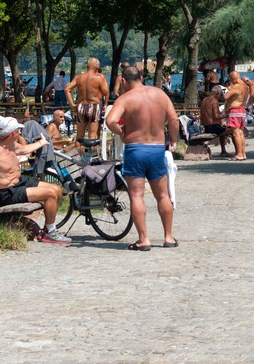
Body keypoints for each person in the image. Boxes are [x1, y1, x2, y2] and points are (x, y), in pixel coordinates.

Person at [104, 65, 180, 250]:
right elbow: (174, 119)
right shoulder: (160, 95)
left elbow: (110, 121)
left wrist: (121, 133)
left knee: (136, 195)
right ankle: (168, 237)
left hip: (136, 149)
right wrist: (173, 140)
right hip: (156, 149)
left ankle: (143, 239)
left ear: (123, 81)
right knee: (163, 195)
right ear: (142, 77)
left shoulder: (125, 99)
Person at [0, 116, 68, 244]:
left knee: (56, 189)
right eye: (18, 130)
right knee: (50, 193)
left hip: (19, 182)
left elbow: (24, 149)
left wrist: (41, 143)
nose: (20, 132)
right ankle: (50, 232)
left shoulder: (12, 145)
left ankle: (48, 228)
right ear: (13, 133)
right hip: (6, 192)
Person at [68, 58, 110, 142]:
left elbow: (67, 89)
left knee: (79, 136)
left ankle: (78, 154)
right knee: (93, 135)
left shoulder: (79, 77)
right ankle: (92, 154)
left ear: (87, 66)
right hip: (93, 106)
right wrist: (105, 104)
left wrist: (71, 104)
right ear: (97, 67)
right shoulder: (99, 78)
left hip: (81, 106)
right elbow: (106, 92)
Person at [222, 70, 250, 160]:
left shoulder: (236, 86)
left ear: (233, 78)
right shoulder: (245, 86)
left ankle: (238, 154)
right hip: (242, 110)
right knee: (241, 133)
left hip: (235, 110)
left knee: (235, 133)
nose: (230, 81)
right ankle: (243, 153)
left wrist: (229, 87)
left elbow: (225, 97)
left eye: (230, 79)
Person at [199, 85, 231, 158]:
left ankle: (223, 151)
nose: (220, 97)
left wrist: (221, 114)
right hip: (212, 127)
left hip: (205, 126)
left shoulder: (204, 100)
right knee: (234, 130)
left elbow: (210, 114)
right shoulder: (214, 101)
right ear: (217, 94)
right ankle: (237, 152)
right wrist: (226, 115)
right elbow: (216, 116)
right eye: (220, 95)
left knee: (222, 129)